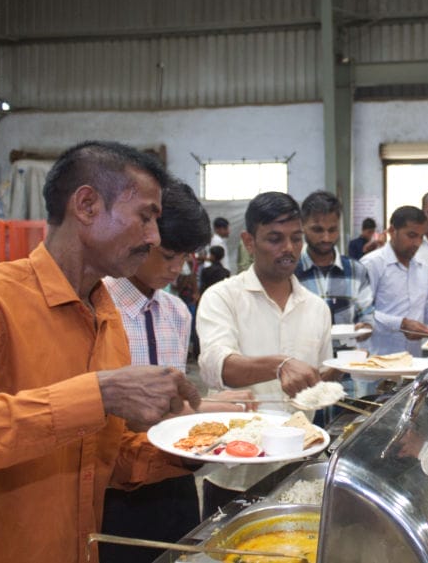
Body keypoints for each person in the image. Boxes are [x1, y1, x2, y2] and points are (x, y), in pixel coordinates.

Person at [0, 141, 204, 563]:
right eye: (145, 217)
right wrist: (96, 396)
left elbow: (99, 459)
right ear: (88, 205)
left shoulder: (106, 318)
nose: (153, 237)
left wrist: (196, 446)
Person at [99, 179, 250, 563]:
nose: (176, 269)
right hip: (114, 490)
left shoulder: (177, 312)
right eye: (167, 255)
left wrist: (215, 408)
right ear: (141, 236)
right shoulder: (100, 308)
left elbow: (171, 407)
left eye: (185, 258)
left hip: (175, 483)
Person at [196, 192, 333, 515]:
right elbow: (219, 367)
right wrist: (280, 365)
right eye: (275, 238)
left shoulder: (317, 308)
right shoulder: (222, 297)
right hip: (233, 472)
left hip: (295, 470)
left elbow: (319, 380)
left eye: (296, 239)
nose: (288, 249)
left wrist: (336, 375)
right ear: (248, 241)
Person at [360, 206, 428, 356]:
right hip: (375, 362)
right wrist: (401, 324)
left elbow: (424, 312)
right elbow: (361, 314)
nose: (416, 243)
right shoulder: (372, 264)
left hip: (412, 362)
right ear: (392, 231)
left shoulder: (422, 268)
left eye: (421, 237)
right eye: (411, 235)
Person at [295, 191, 374, 334]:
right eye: (318, 230)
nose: (326, 238)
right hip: (303, 356)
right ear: (302, 227)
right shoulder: (291, 272)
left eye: (332, 230)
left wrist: (366, 327)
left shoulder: (356, 271)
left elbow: (367, 314)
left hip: (347, 355)